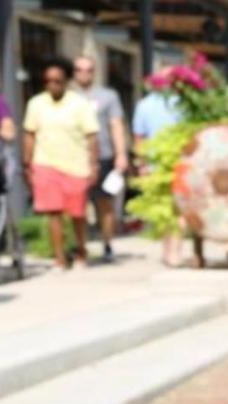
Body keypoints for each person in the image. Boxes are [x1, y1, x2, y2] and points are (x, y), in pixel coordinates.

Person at [23, 57, 98, 271]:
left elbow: (92, 136)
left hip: (76, 165)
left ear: (66, 81)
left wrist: (93, 165)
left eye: (57, 80)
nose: (53, 85)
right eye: (48, 81)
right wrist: (27, 163)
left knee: (77, 214)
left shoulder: (79, 104)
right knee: (53, 213)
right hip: (45, 163)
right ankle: (59, 258)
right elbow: (29, 134)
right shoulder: (36, 104)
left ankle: (81, 251)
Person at [71, 55, 128, 262]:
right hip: (75, 159)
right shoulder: (68, 97)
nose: (84, 74)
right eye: (79, 69)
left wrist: (121, 154)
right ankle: (80, 247)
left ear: (94, 72)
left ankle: (107, 243)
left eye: (88, 70)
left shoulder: (108, 96)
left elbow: (116, 125)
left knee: (104, 203)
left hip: (104, 156)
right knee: (77, 205)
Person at [132, 71, 183, 266]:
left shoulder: (180, 103)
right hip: (155, 164)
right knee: (162, 210)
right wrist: (141, 163)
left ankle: (175, 250)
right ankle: (167, 249)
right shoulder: (145, 105)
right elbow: (139, 137)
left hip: (177, 162)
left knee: (176, 209)